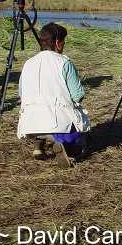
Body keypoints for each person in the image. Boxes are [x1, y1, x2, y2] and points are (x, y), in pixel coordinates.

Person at [17, 22, 90, 168]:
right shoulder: (65, 63)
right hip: (58, 123)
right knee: (82, 143)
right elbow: (77, 96)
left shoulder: (28, 63)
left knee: (41, 112)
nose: (63, 46)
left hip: (29, 124)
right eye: (63, 42)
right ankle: (63, 144)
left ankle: (39, 146)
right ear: (57, 42)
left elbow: (21, 95)